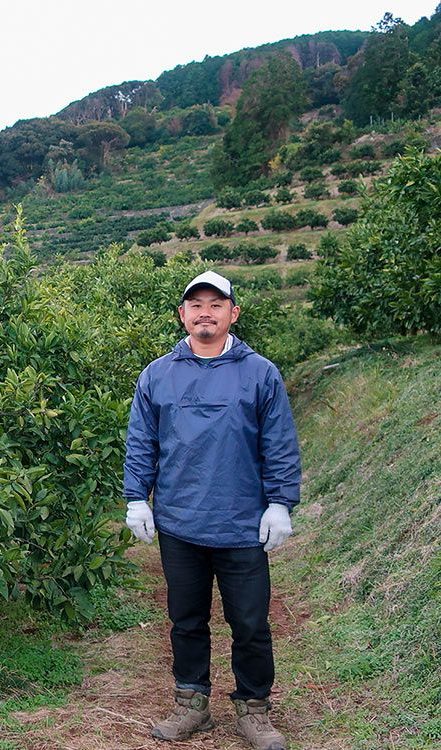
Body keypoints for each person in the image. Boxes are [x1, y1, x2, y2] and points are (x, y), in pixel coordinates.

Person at [122, 271, 301, 750]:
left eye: (216, 304)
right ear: (182, 314)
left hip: (241, 524)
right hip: (180, 522)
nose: (206, 312)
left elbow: (279, 443)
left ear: (233, 313)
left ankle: (254, 709)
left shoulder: (260, 373)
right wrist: (136, 497)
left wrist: (280, 503)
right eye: (196, 304)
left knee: (250, 624)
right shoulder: (158, 374)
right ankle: (191, 705)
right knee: (186, 620)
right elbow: (142, 441)